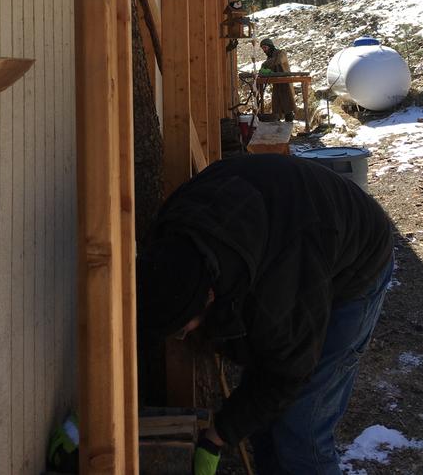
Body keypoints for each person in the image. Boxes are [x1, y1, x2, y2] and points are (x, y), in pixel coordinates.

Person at [136, 153, 394, 475]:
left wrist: (217, 436)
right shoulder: (169, 241)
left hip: (358, 265)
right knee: (266, 422)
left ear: (210, 296)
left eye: (183, 329)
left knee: (302, 429)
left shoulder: (278, 291)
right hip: (295, 226)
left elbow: (286, 373)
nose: (183, 337)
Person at [258, 37, 296, 122]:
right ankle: (278, 127)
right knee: (277, 106)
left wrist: (264, 64)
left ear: (270, 46)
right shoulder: (270, 58)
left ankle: (289, 125)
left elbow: (278, 61)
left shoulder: (281, 53)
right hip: (276, 84)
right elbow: (269, 69)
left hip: (285, 84)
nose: (264, 50)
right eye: (263, 48)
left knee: (288, 107)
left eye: (265, 48)